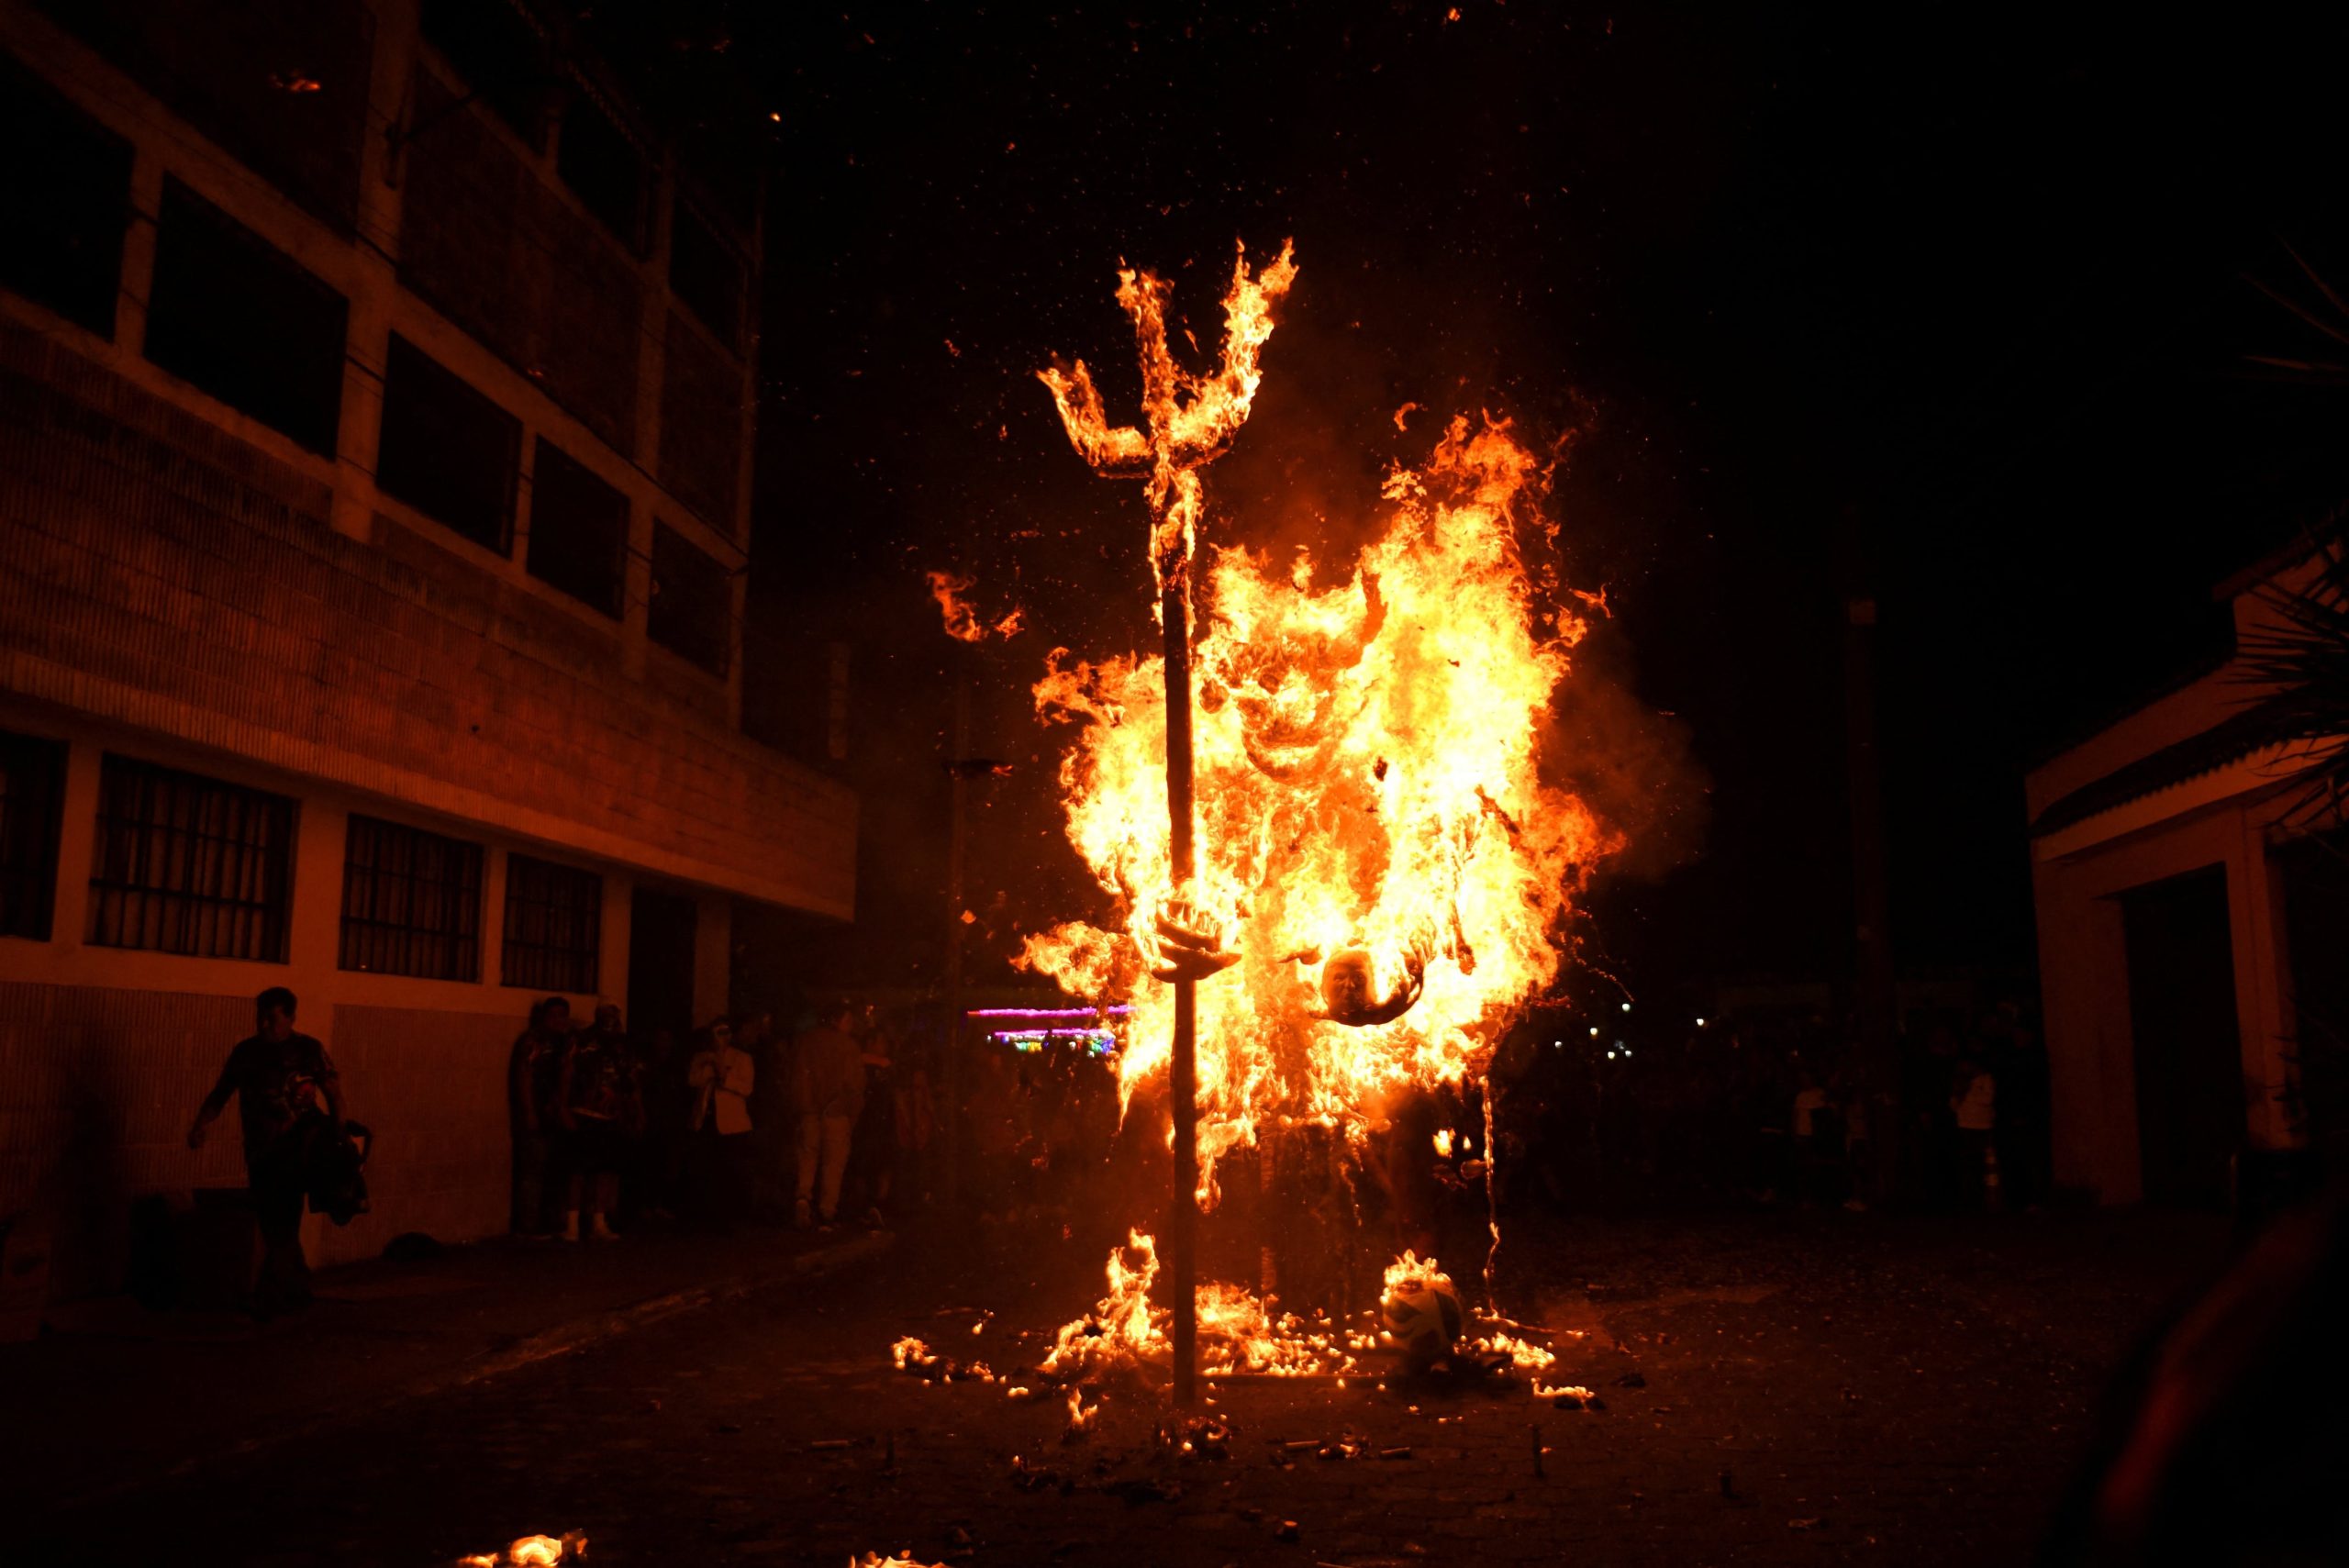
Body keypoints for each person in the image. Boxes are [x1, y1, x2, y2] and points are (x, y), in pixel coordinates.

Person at [186, 988, 348, 1316]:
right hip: (261, 1149)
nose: (264, 1025)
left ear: (290, 1018)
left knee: (283, 1214)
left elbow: (333, 1093)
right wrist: (201, 1123)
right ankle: (296, 1285)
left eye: (272, 1018)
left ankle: (271, 1292)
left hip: (296, 1146)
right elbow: (222, 1091)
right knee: (273, 1217)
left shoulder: (307, 1049)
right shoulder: (247, 1052)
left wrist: (339, 1133)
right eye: (260, 1016)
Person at [556, 1003, 641, 1241]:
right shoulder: (581, 1039)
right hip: (583, 1111)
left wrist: (636, 1111)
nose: (610, 1018)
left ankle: (598, 1221)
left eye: (613, 1013)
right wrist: (563, 1107)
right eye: (605, 1012)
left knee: (605, 1169)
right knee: (577, 1169)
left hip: (611, 1115)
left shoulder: (624, 1044)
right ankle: (572, 1224)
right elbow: (567, 1072)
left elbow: (632, 1079)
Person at [792, 1002, 865, 1229]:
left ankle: (803, 1198)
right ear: (836, 1020)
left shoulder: (806, 1042)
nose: (851, 1025)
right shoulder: (848, 1046)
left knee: (808, 1157)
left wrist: (802, 1105)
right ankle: (827, 1210)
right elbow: (854, 1083)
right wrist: (852, 1111)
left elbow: (797, 1076)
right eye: (848, 1020)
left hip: (809, 1110)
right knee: (833, 1163)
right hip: (836, 1111)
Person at [507, 997, 571, 1239]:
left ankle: (547, 1220)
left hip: (554, 1114)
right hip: (537, 1112)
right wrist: (529, 1112)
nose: (558, 1021)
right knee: (532, 1171)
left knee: (551, 1170)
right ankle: (528, 1224)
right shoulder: (533, 1041)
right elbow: (524, 1076)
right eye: (553, 1015)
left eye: (562, 1016)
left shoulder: (563, 1043)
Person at [686, 1018, 755, 1223]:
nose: (723, 1037)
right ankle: (708, 1215)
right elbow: (693, 1081)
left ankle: (730, 1216)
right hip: (706, 1121)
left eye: (726, 1032)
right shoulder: (701, 1057)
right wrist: (706, 1064)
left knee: (730, 1171)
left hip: (733, 1125)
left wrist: (723, 1075)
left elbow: (746, 1088)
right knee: (709, 1169)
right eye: (718, 1033)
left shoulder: (742, 1058)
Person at [1952, 1054, 1998, 1210]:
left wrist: (1967, 1095)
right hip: (1965, 1125)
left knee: (1980, 1163)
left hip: (1982, 1125)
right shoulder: (1961, 1082)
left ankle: (1982, 1197)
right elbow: (1953, 1105)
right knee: (1967, 1163)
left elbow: (1987, 1099)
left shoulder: (1986, 1079)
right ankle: (1969, 1197)